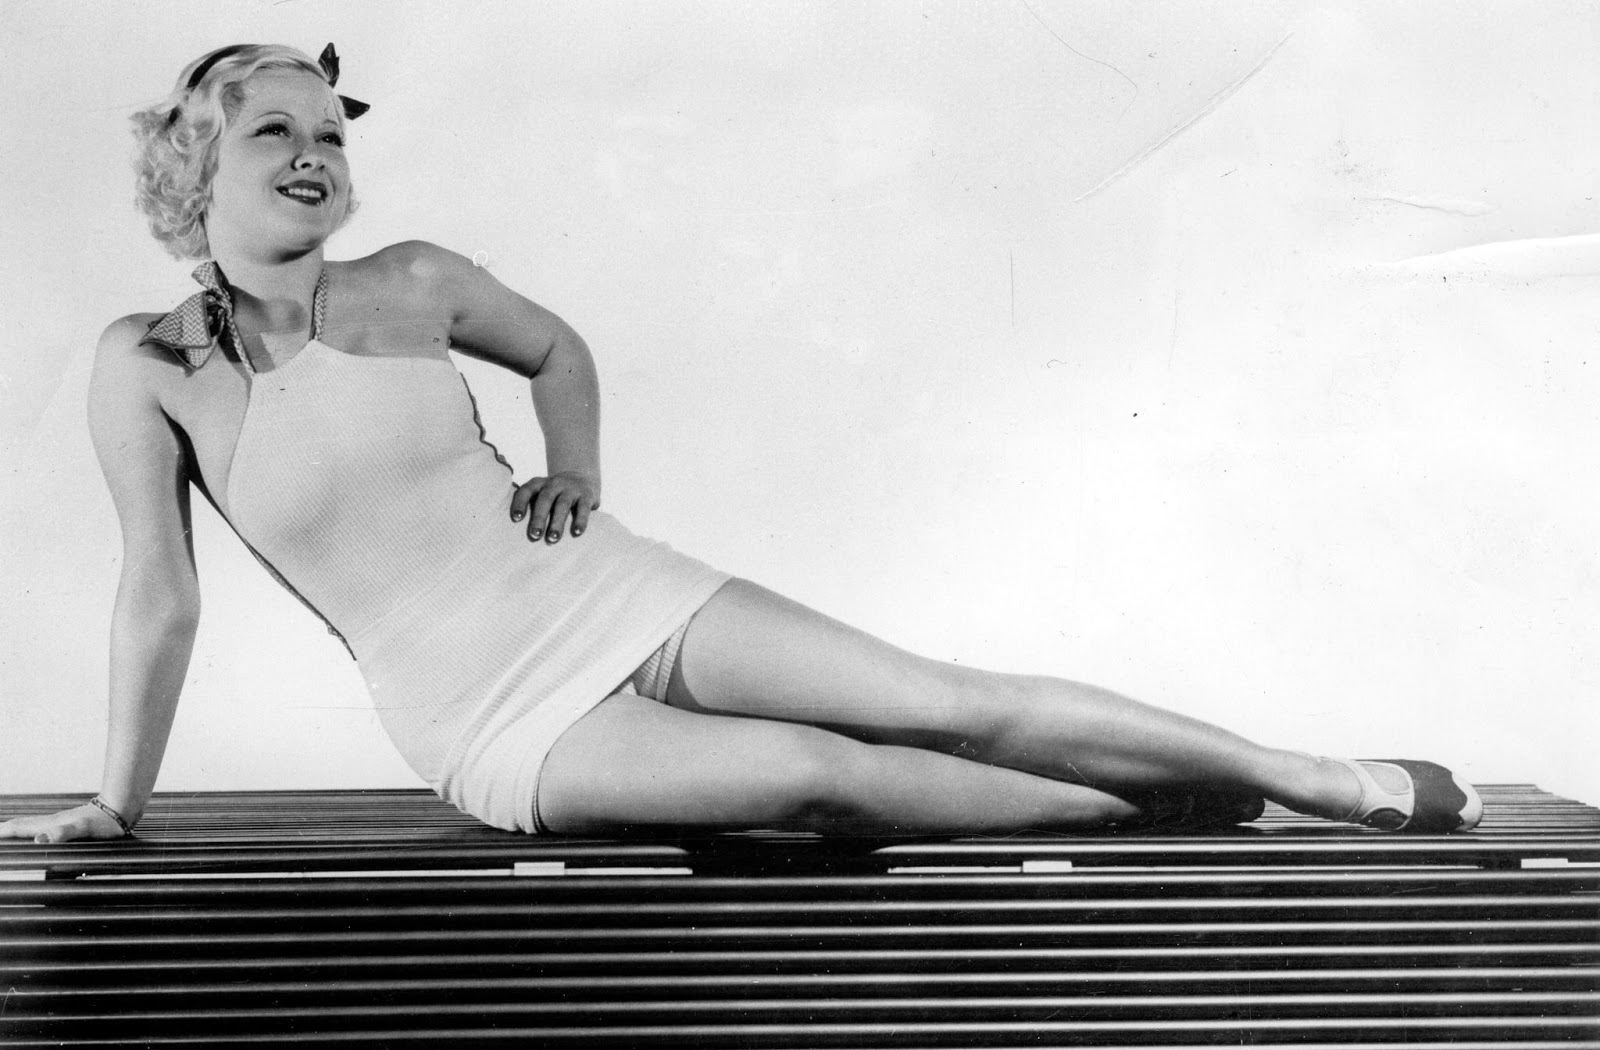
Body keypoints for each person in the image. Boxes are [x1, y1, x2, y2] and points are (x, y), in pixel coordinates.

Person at [1, 43, 1482, 846]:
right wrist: (120, 803)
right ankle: (1132, 805)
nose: (318, 153)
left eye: (332, 130)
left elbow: (559, 351)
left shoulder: (417, 279)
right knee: (809, 779)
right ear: (195, 162)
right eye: (277, 131)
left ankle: (1315, 778)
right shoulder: (147, 363)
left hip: (604, 593)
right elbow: (157, 592)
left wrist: (576, 471)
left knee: (938, 698)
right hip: (485, 714)